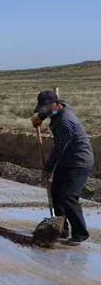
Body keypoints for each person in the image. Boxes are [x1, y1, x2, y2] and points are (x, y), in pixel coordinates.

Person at [32, 91, 95, 245]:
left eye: (47, 108)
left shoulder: (66, 122)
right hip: (67, 160)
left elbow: (59, 149)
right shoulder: (61, 106)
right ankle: (60, 229)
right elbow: (49, 111)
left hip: (79, 161)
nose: (45, 110)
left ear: (56, 104)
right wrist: (41, 117)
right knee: (56, 192)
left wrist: (48, 169)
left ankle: (80, 234)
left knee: (68, 197)